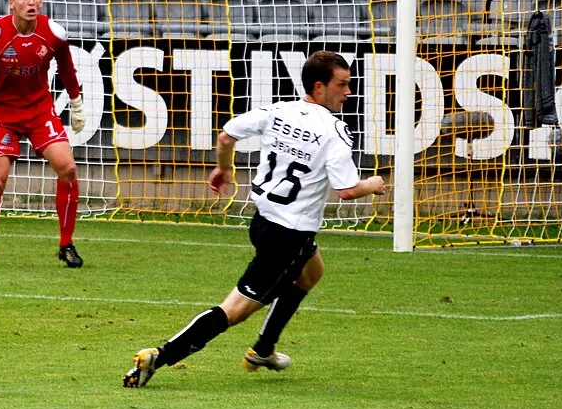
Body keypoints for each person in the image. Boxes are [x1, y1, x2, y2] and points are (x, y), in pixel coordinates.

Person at [123, 50, 387, 388]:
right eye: (343, 85)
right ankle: (159, 356)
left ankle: (264, 348)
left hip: (262, 221)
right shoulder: (334, 132)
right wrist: (372, 184)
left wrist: (223, 168)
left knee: (312, 272)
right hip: (288, 235)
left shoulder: (279, 110)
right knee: (234, 310)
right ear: (319, 87)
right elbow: (347, 190)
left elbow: (226, 136)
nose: (348, 91)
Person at [0, 0, 87, 269]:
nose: (31, 2)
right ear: (11, 4)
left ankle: (66, 244)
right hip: (1, 115)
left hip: (39, 111)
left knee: (67, 167)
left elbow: (67, 69)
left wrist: (76, 102)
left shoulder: (54, 34)